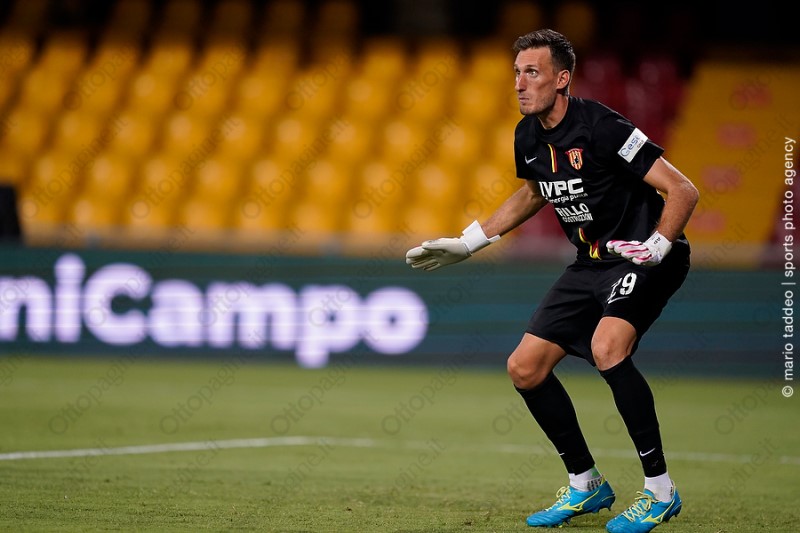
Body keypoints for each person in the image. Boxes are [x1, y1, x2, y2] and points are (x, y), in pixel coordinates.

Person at [405, 29, 698, 533]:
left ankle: (660, 491)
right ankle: (586, 483)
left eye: (532, 72)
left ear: (562, 79)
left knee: (608, 347)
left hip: (644, 256)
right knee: (525, 368)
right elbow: (534, 192)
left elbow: (683, 189)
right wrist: (470, 241)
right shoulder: (527, 135)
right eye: (516, 73)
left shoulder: (604, 127)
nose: (520, 84)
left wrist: (658, 244)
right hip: (590, 262)